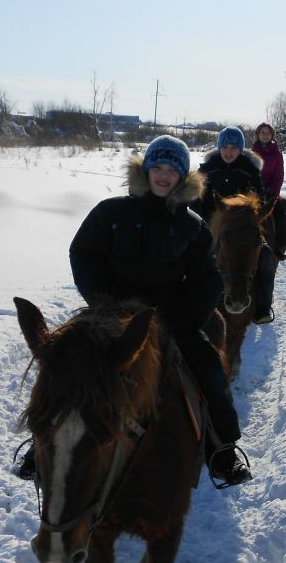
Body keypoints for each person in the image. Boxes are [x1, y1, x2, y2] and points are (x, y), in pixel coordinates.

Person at [15, 135, 252, 488]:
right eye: (157, 167)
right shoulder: (111, 213)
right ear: (146, 170)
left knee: (209, 371)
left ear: (182, 177)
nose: (163, 175)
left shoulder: (191, 226)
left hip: (170, 320)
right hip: (109, 315)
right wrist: (103, 302)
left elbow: (208, 279)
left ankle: (222, 449)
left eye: (172, 170)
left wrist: (184, 318)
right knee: (65, 360)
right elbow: (83, 253)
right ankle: (41, 446)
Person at [194, 126, 278, 325]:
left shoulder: (249, 169)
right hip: (213, 227)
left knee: (265, 259)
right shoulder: (207, 170)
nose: (229, 152)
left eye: (233, 147)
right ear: (219, 148)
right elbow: (197, 200)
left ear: (240, 149)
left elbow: (259, 197)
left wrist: (247, 213)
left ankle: (263, 308)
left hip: (244, 228)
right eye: (225, 147)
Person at [252, 122, 286, 261]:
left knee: (281, 212)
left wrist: (272, 192)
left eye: (268, 133)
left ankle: (280, 247)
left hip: (270, 193)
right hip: (254, 193)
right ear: (258, 135)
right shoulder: (252, 153)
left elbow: (279, 175)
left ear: (272, 135)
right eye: (263, 133)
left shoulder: (277, 154)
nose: (265, 135)